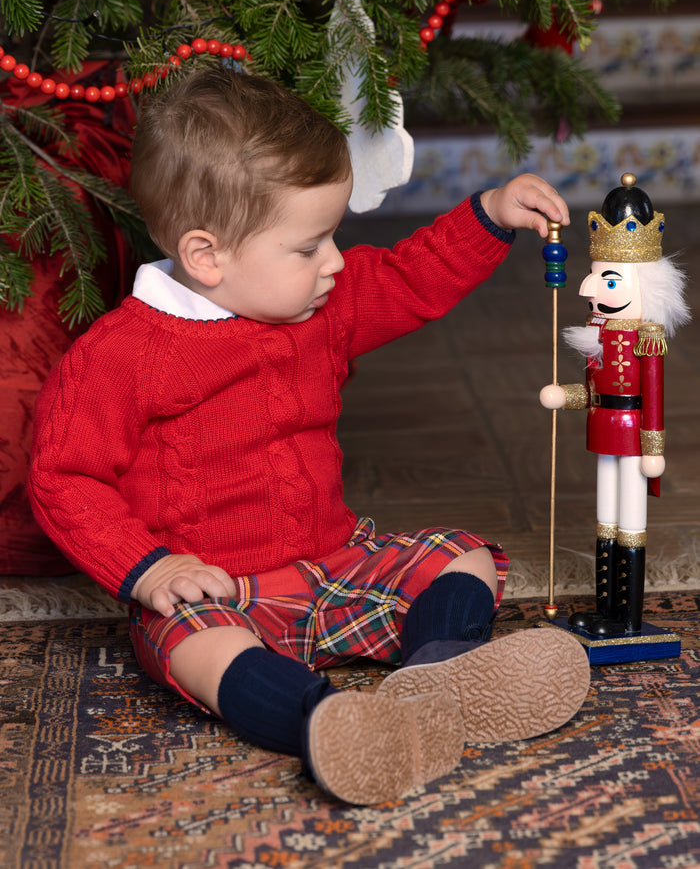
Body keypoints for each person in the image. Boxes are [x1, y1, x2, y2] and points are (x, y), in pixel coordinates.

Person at [29, 67, 590, 807]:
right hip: (217, 592)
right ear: (207, 257)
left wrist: (487, 214)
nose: (334, 262)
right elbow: (63, 479)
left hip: (332, 567)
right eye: (309, 246)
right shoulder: (120, 355)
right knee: (199, 645)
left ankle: (440, 677)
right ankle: (324, 719)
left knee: (462, 557)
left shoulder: (323, 305)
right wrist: (150, 570)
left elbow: (408, 278)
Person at [540, 173, 690, 637]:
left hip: (633, 433)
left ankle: (627, 619)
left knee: (631, 519)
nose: (588, 289)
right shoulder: (598, 336)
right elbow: (592, 390)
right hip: (603, 429)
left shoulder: (648, 339)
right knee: (605, 516)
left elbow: (654, 396)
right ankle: (605, 610)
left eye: (606, 279)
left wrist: (653, 447)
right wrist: (566, 396)